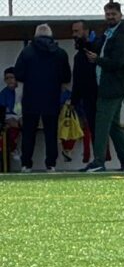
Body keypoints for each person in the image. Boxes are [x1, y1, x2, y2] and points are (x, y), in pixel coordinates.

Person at [82, 3, 124, 173]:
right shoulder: (111, 33)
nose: (110, 17)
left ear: (120, 15)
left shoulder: (122, 35)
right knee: (114, 126)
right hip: (111, 85)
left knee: (101, 124)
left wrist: (97, 60)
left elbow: (117, 61)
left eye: (113, 14)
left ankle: (98, 161)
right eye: (107, 14)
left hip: (112, 86)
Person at [12, 23, 72, 172]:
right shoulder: (60, 53)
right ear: (51, 35)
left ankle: (26, 164)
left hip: (31, 97)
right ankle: (51, 164)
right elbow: (66, 76)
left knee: (28, 132)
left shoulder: (27, 52)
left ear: (36, 35)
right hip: (52, 97)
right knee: (51, 132)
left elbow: (18, 74)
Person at [68, 20, 102, 164]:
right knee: (93, 128)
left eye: (76, 31)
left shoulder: (97, 48)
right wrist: (74, 100)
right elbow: (78, 80)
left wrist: (74, 100)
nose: (74, 34)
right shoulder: (80, 55)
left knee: (101, 128)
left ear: (86, 31)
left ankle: (100, 159)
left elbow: (79, 79)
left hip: (99, 95)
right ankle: (99, 160)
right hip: (88, 97)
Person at [2, 68, 19, 168]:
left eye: (11, 77)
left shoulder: (22, 90)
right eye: (7, 78)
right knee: (10, 129)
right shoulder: (4, 93)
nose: (9, 80)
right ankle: (13, 149)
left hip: (22, 116)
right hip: (9, 117)